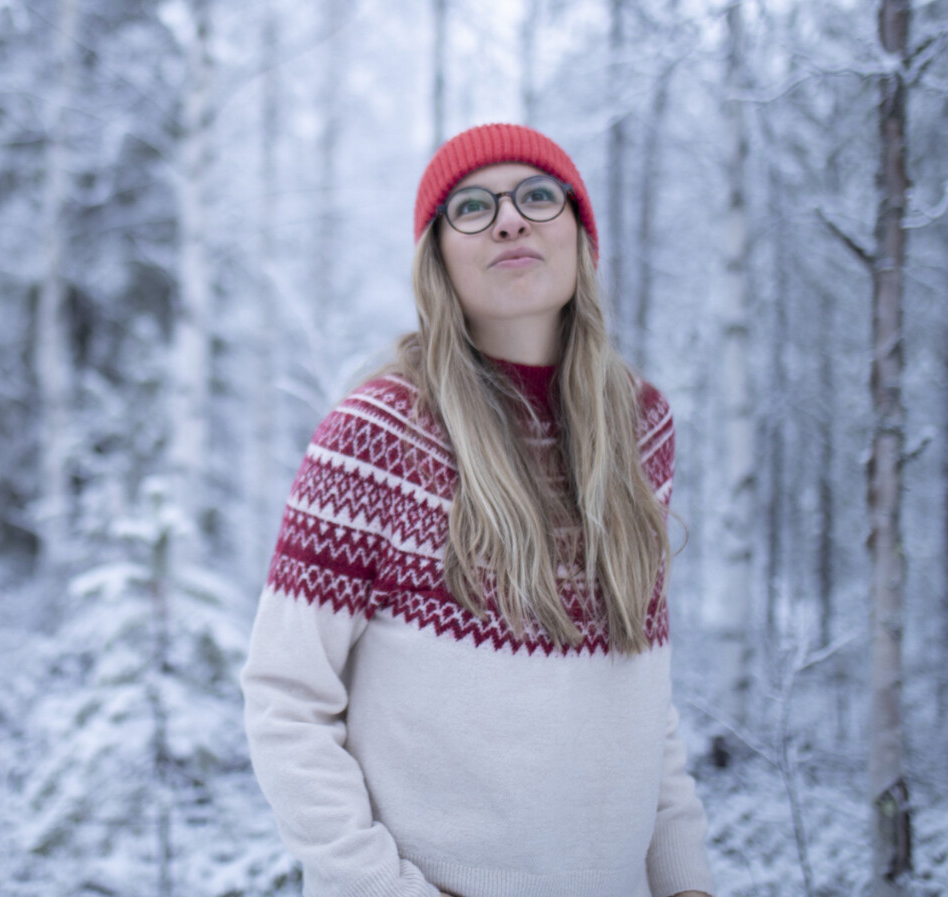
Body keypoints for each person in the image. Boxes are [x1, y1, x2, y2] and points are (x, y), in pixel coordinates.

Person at [239, 123, 717, 897]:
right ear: (439, 260)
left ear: (580, 235)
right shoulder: (376, 433)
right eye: (472, 205)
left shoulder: (643, 427)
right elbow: (286, 699)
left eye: (537, 194)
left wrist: (685, 878)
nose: (509, 218)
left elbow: (638, 692)